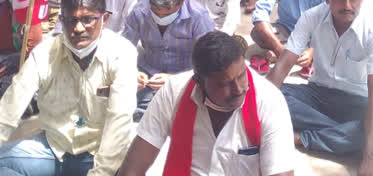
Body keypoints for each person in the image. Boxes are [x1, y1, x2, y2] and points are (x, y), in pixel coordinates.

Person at [0, 0, 137, 176]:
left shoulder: (121, 53)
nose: (78, 28)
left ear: (104, 19)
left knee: (136, 167)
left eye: (88, 19)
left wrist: (100, 173)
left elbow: (120, 118)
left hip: (99, 154)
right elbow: (6, 113)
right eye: (71, 20)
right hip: (53, 149)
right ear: (62, 20)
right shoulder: (45, 52)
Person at [267, 0, 373, 166]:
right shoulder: (311, 17)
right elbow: (283, 65)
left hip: (356, 101)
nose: (348, 6)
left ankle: (302, 138)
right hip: (317, 93)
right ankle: (349, 135)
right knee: (272, 95)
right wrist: (256, 107)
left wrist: (370, 157)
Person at [119, 31, 295, 176]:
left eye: (241, 75)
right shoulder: (174, 92)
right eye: (224, 84)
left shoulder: (269, 100)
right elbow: (133, 168)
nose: (239, 89)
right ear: (199, 81)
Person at [122, 0, 215, 115]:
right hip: (148, 73)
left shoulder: (198, 17)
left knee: (197, 107)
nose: (160, 18)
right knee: (121, 100)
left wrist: (175, 80)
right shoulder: (139, 12)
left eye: (166, 15)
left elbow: (209, 62)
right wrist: (132, 74)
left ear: (181, 2)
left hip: (186, 76)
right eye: (155, 12)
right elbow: (124, 48)